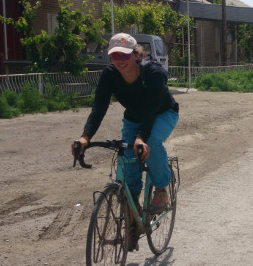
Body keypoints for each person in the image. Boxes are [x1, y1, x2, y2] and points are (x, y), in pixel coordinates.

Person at [72, 33, 179, 246]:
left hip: (162, 114)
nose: (120, 60)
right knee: (128, 162)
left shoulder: (153, 73)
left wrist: (141, 138)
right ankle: (134, 217)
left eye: (125, 55)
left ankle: (161, 189)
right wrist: (85, 137)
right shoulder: (110, 75)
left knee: (150, 143)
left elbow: (150, 110)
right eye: (115, 56)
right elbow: (99, 108)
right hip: (133, 119)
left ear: (136, 54)